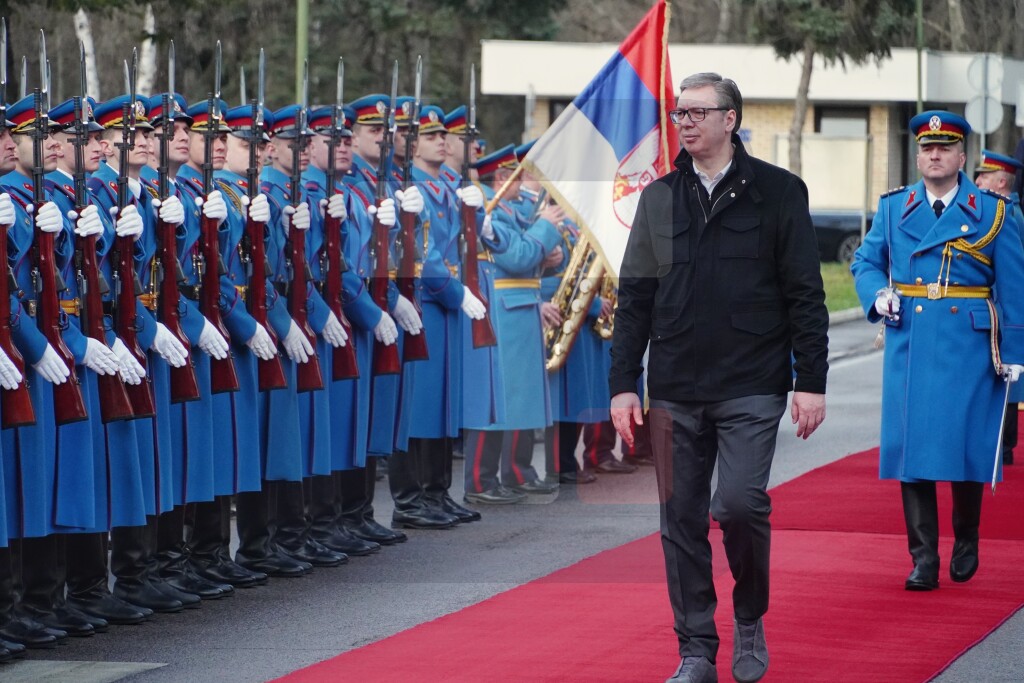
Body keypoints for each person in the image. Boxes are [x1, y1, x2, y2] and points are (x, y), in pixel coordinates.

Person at [610, 72, 828, 683]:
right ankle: (696, 650)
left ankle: (749, 614)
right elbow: (635, 298)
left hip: (751, 382)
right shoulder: (659, 198)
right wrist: (623, 383)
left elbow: (805, 293)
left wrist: (811, 380)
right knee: (679, 518)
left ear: (730, 118)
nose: (685, 122)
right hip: (675, 386)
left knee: (737, 504)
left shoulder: (778, 192)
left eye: (697, 112)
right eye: (679, 113)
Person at [852, 113, 1024, 593]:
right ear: (917, 156)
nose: (934, 155)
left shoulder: (993, 212)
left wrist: (1015, 353)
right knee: (912, 449)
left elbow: (1014, 287)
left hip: (968, 343)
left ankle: (966, 537)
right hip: (910, 338)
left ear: (962, 156)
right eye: (927, 148)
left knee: (965, 445)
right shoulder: (894, 208)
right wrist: (877, 294)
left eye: (945, 147)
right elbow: (865, 260)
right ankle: (923, 557)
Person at [974, 149, 1024, 466]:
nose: (978, 181)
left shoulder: (1008, 215)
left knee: (1004, 379)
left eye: (985, 176)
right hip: (998, 307)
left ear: (1002, 181)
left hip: (1003, 310)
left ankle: (1002, 446)